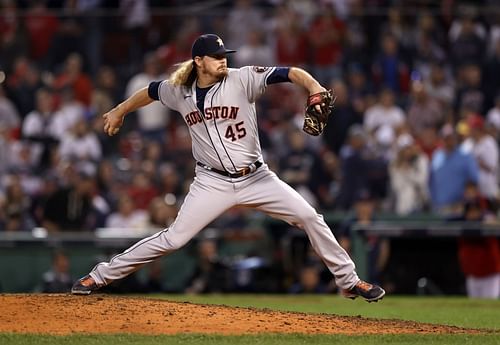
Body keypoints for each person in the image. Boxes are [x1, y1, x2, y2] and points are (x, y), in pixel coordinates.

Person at [71, 33, 385, 302]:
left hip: (257, 178)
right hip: (211, 183)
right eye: (216, 57)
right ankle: (99, 277)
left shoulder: (242, 78)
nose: (223, 61)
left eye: (224, 55)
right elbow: (151, 91)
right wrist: (120, 110)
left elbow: (290, 72)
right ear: (198, 61)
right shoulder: (179, 90)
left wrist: (314, 87)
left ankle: (349, 281)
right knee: (174, 239)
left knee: (309, 216)